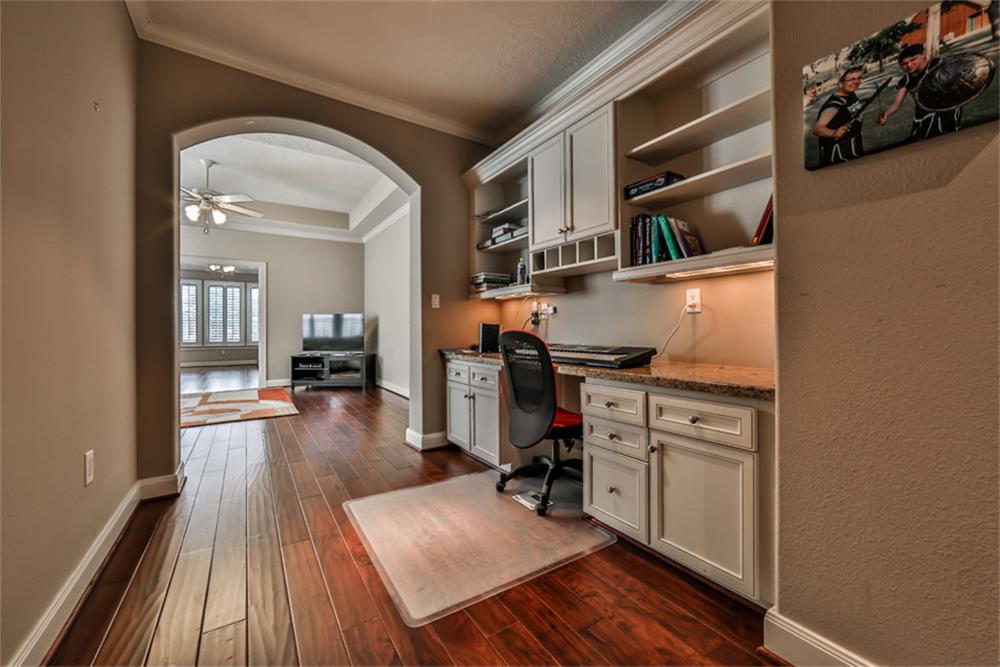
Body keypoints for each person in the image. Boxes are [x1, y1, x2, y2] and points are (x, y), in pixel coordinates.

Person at [878, 43, 960, 140]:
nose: (909, 65)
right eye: (904, 63)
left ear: (923, 54)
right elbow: (897, 103)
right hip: (921, 116)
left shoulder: (937, 65)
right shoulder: (906, 79)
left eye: (913, 59)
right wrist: (886, 114)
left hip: (944, 111)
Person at [813, 66, 867, 166]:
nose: (857, 82)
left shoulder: (851, 94)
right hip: (838, 152)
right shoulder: (834, 105)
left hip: (854, 143)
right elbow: (817, 129)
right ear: (840, 83)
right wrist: (834, 133)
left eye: (859, 78)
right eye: (852, 79)